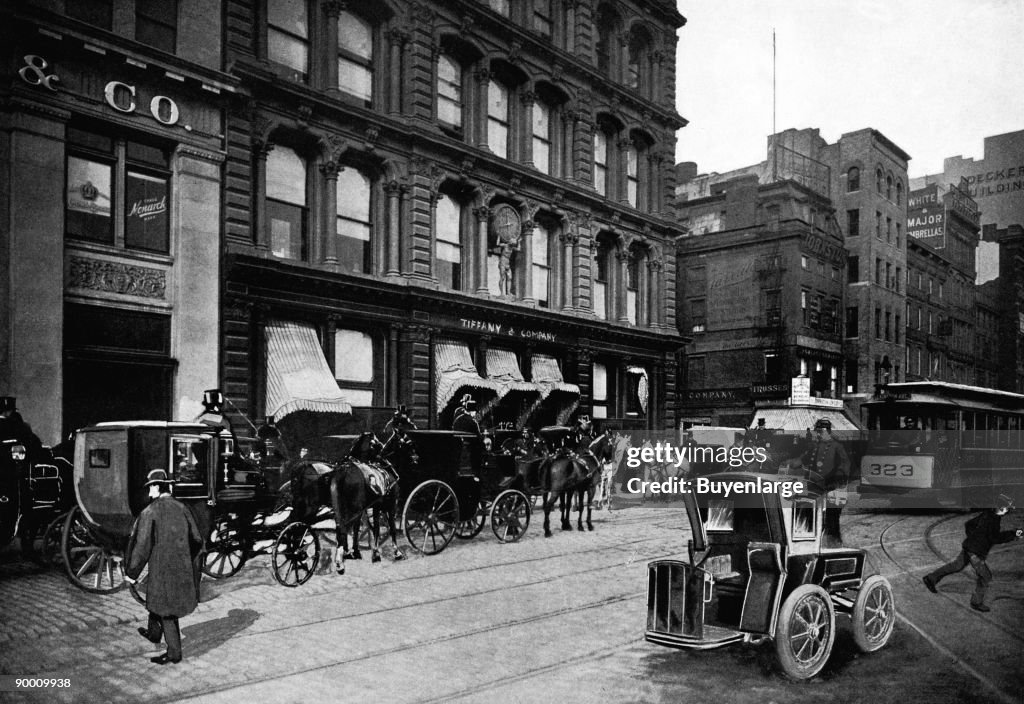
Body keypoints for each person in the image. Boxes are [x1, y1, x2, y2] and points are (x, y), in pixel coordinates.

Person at [125, 469, 203, 665]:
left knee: (166, 610)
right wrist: (184, 558)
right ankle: (153, 634)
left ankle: (174, 653)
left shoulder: (150, 512)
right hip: (181, 567)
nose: (149, 491)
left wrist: (132, 573)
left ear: (157, 487)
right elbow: (196, 540)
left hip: (162, 569)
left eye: (151, 486)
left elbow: (142, 547)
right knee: (157, 600)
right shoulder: (183, 508)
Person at [923, 494, 1022, 612]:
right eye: (1008, 507)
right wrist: (1013, 534)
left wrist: (973, 539)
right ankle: (976, 602)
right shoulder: (994, 520)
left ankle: (931, 578)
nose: (1009, 510)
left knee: (956, 566)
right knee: (986, 576)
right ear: (1002, 508)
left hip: (969, 547)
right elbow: (995, 538)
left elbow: (969, 524)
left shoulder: (987, 514)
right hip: (975, 553)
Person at [802, 418, 850, 547]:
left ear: (827, 431)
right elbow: (805, 460)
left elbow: (845, 465)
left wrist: (835, 480)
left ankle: (834, 542)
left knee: (832, 517)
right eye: (817, 431)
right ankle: (809, 541)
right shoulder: (814, 446)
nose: (817, 434)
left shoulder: (837, 446)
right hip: (814, 485)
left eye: (820, 431)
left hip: (832, 486)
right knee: (808, 513)